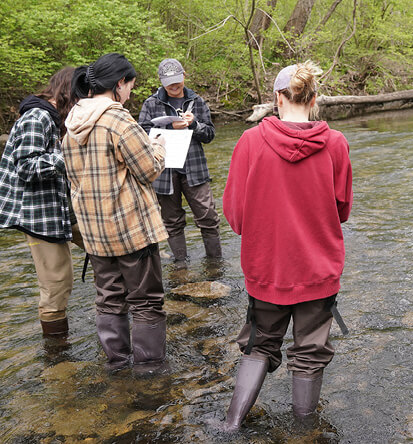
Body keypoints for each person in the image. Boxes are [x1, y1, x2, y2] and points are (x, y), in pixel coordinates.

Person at [219, 61, 353, 431]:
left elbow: (235, 214)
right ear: (313, 99)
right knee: (309, 353)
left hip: (267, 267)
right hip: (318, 267)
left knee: (259, 345)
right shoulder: (336, 143)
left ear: (277, 98)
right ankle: (304, 433)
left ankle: (231, 424)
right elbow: (342, 209)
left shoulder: (250, 141)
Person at [62, 53, 170, 372]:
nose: (131, 94)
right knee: (146, 301)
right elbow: (149, 169)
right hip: (130, 230)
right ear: (119, 84)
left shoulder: (71, 124)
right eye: (131, 87)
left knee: (109, 299)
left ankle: (118, 364)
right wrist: (160, 145)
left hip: (94, 233)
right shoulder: (118, 119)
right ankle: (150, 370)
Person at [0, 67, 84, 338]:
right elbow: (27, 167)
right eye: (81, 95)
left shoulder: (56, 118)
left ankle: (112, 316)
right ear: (68, 92)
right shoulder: (37, 116)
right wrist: (71, 154)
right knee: (57, 284)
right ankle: (56, 353)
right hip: (39, 215)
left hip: (64, 208)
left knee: (108, 253)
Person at [138, 58, 220, 265]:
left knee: (208, 217)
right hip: (164, 170)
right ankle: (181, 265)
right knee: (172, 222)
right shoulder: (151, 103)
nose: (174, 86)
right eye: (169, 82)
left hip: (195, 168)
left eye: (177, 80)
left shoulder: (198, 101)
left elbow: (209, 135)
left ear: (184, 75)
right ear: (161, 81)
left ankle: (215, 263)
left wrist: (194, 125)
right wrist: (168, 129)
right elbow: (141, 136)